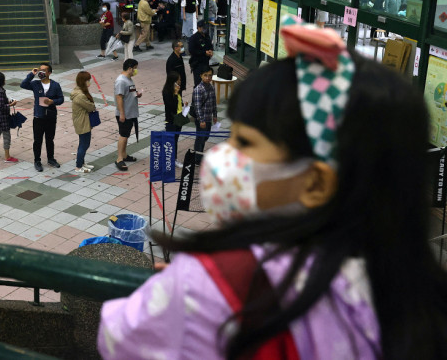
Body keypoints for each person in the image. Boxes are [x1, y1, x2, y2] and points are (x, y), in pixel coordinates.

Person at [98, 22, 447, 359]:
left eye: (245, 142)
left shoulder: (215, 286)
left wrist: (176, 291)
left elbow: (118, 335)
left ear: (315, 183)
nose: (222, 155)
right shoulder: (414, 294)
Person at [21, 64, 64, 172]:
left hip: (50, 116)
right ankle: (37, 161)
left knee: (50, 139)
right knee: (37, 140)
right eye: (40, 70)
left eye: (44, 70)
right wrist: (32, 74)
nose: (42, 72)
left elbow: (61, 99)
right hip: (38, 116)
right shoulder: (35, 84)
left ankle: (51, 159)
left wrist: (52, 101)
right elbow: (23, 85)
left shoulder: (55, 85)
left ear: (49, 73)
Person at [114, 59, 141, 171]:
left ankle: (124, 155)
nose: (136, 70)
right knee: (123, 135)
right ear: (129, 68)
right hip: (125, 114)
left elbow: (129, 92)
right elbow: (119, 97)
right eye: (135, 68)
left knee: (126, 135)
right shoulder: (121, 81)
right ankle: (119, 159)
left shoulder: (129, 79)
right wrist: (122, 113)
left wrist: (136, 94)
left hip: (131, 112)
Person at [71, 71, 97, 174]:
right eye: (88, 80)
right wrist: (92, 105)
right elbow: (90, 107)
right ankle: (78, 167)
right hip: (82, 122)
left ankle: (82, 163)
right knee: (84, 144)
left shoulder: (80, 92)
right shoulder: (80, 96)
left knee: (84, 143)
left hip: (83, 121)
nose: (89, 82)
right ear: (83, 81)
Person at [191, 66, 217, 163]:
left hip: (208, 118)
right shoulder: (199, 89)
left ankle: (200, 154)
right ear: (201, 76)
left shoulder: (211, 87)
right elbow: (197, 106)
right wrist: (201, 120)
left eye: (209, 76)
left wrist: (215, 115)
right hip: (201, 119)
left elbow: (214, 102)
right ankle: (197, 158)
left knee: (206, 136)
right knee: (200, 138)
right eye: (205, 75)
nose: (207, 78)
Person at [162, 71, 185, 168]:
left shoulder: (177, 90)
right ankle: (170, 160)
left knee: (176, 139)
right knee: (171, 141)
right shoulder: (167, 92)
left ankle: (173, 159)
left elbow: (179, 103)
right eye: (178, 80)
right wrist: (175, 94)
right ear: (173, 81)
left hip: (179, 117)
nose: (180, 81)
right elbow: (171, 106)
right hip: (171, 119)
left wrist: (184, 105)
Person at [188, 20, 214, 88]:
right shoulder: (193, 38)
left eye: (205, 27)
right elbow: (192, 51)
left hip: (206, 63)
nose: (204, 29)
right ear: (198, 28)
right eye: (202, 27)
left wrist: (211, 51)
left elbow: (210, 45)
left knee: (206, 82)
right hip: (197, 64)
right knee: (198, 84)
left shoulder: (207, 36)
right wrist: (204, 53)